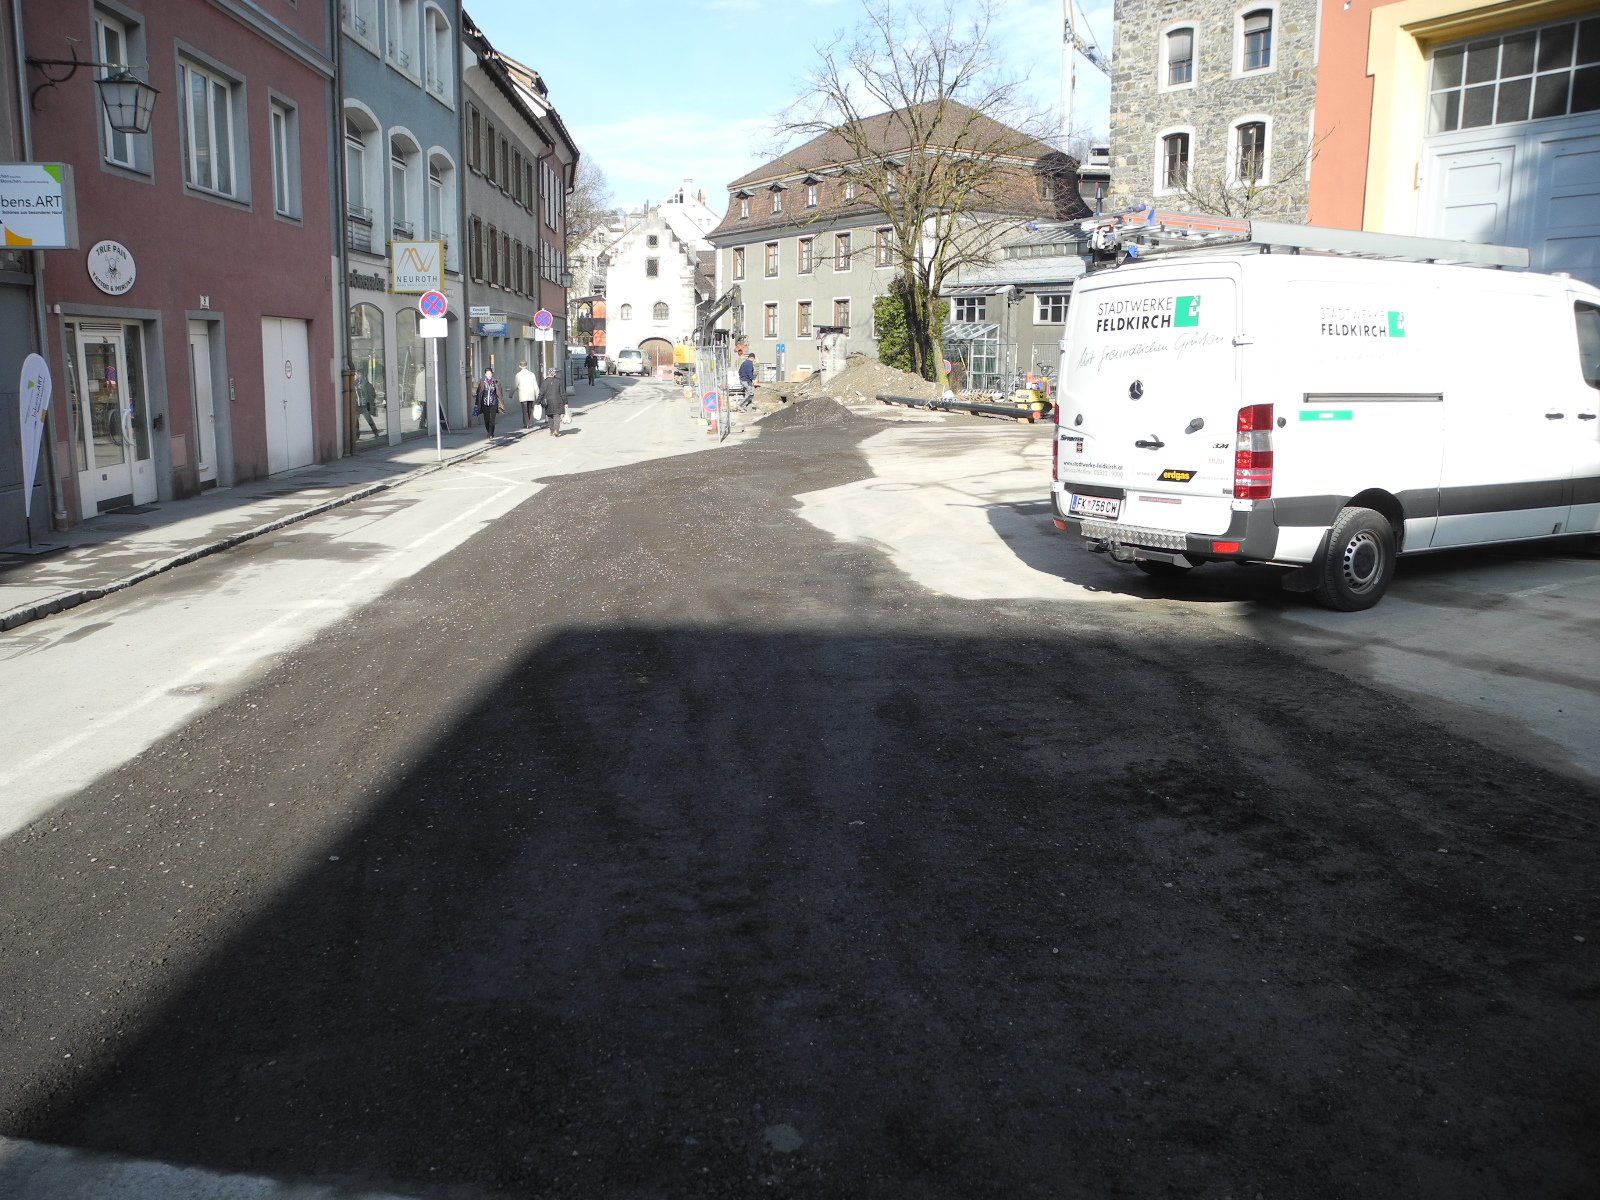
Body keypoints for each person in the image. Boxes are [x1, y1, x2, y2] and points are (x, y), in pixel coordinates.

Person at [474, 367, 503, 439]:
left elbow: (499, 393)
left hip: (493, 403)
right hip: (485, 403)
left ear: (492, 374)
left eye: (490, 374)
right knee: (486, 419)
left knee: (492, 419)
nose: (489, 375)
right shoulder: (482, 382)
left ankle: (491, 433)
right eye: (487, 374)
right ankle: (488, 431)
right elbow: (479, 393)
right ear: (485, 374)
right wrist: (477, 404)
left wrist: (501, 403)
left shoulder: (496, 382)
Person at [515, 359, 540, 429]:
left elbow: (515, 385)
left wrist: (511, 393)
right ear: (526, 366)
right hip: (531, 394)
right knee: (529, 409)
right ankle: (528, 422)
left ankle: (526, 423)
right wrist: (538, 395)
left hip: (523, 395)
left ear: (519, 366)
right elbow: (535, 385)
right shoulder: (532, 374)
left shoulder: (518, 375)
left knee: (524, 410)